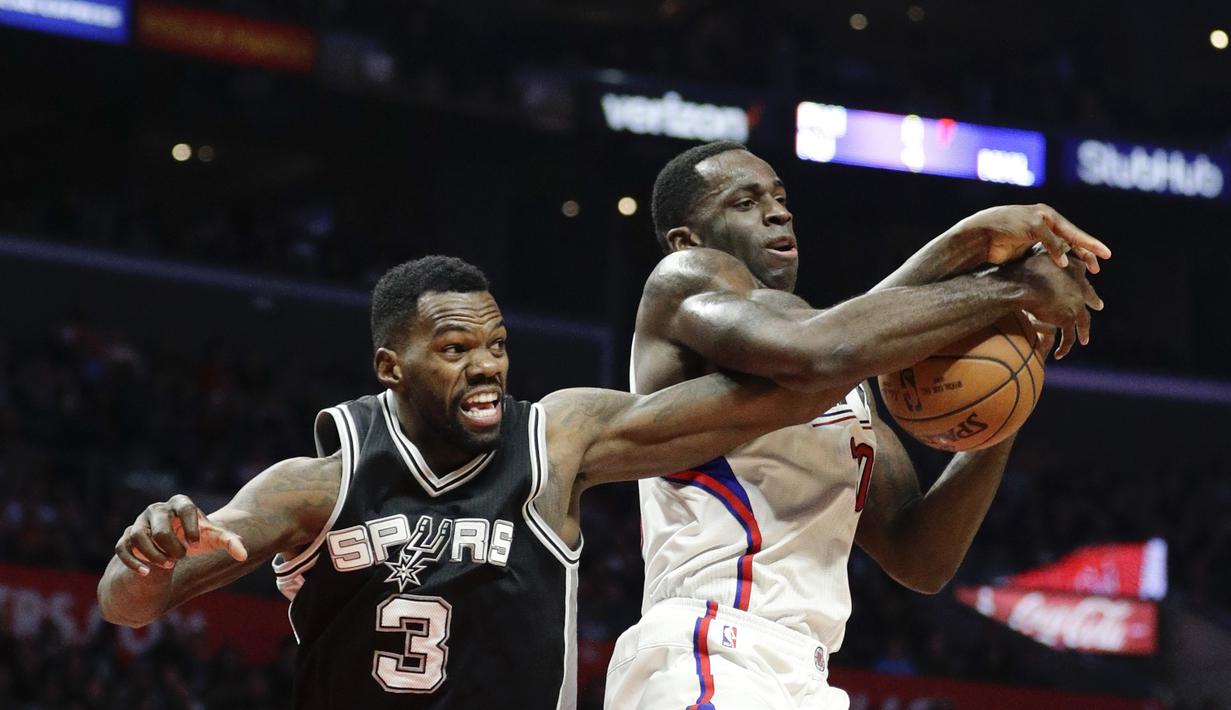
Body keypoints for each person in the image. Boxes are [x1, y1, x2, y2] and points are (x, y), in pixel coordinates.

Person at [98, 255, 896, 710]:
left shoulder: (555, 443)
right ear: (391, 367)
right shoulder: (315, 486)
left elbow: (770, 395)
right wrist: (146, 560)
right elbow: (129, 603)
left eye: (497, 345)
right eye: (454, 349)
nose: (485, 365)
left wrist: (933, 311)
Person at [604, 141, 1110, 710]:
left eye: (780, 196)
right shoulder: (684, 281)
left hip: (807, 672)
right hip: (712, 647)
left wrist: (1011, 393)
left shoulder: (843, 384)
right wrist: (1000, 280)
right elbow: (821, 347)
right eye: (745, 202)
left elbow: (921, 557)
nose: (777, 211)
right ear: (686, 237)